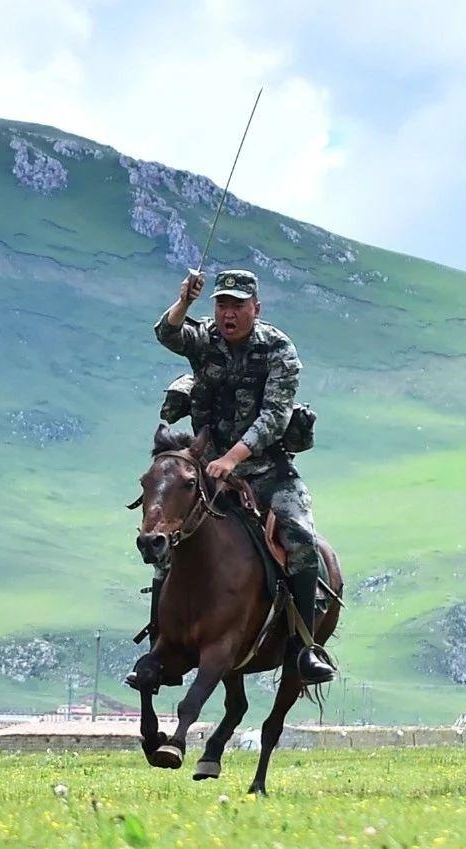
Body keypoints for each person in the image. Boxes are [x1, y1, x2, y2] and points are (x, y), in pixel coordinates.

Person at [149, 269, 335, 685]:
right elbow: (167, 334)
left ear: (256, 308)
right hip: (208, 470)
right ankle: (159, 645)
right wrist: (184, 301)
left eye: (237, 305)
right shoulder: (207, 338)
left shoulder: (278, 350)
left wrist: (233, 458)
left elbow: (274, 416)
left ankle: (304, 648)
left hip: (267, 470)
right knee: (164, 534)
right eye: (221, 304)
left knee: (302, 541)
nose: (228, 314)